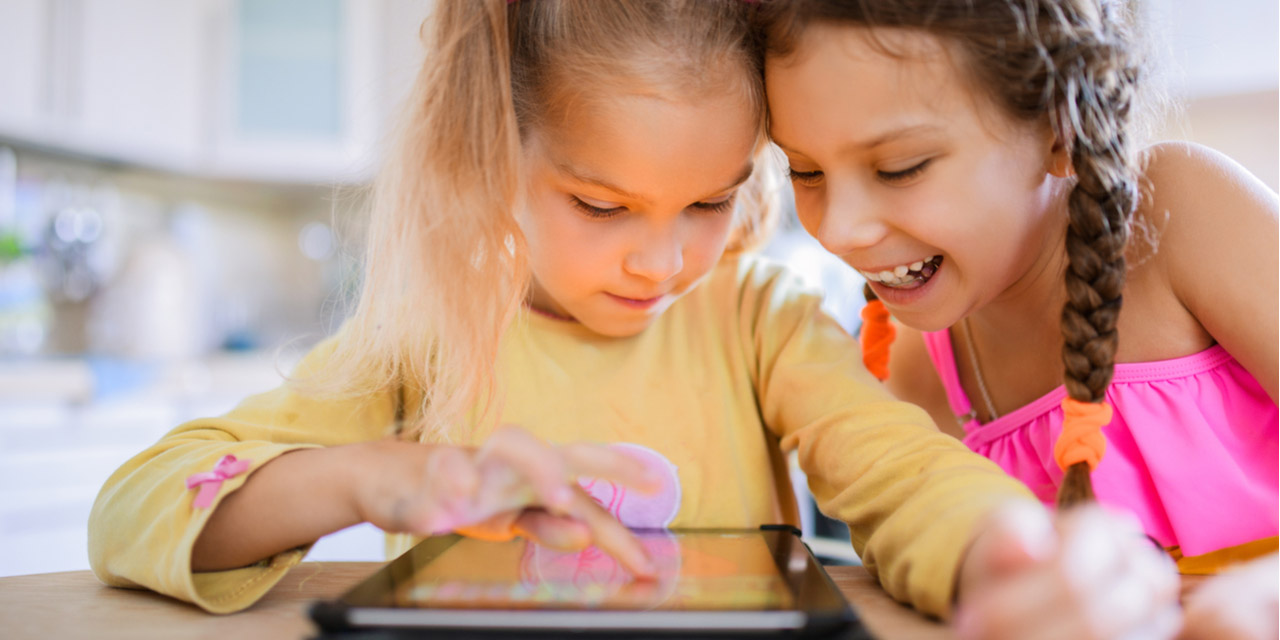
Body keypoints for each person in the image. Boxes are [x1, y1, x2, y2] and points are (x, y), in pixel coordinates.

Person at [89, 1, 1175, 632]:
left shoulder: (754, 316)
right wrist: (377, 475)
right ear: (495, 157)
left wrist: (1006, 551)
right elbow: (136, 505)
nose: (664, 259)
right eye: (601, 204)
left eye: (709, 200)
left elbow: (896, 466)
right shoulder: (429, 333)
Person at [759, 0, 1278, 637]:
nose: (837, 230)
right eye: (804, 170)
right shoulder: (919, 370)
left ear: (1062, 129)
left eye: (900, 168)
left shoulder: (1182, 214)